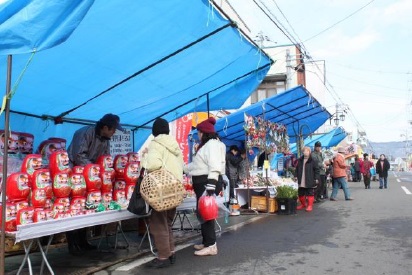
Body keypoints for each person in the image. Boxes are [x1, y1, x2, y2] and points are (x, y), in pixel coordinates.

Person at [66, 113, 123, 255]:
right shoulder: (84, 133)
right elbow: (79, 156)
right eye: (113, 130)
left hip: (92, 176)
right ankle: (72, 244)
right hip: (76, 174)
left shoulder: (106, 139)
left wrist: (106, 171)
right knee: (76, 208)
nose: (114, 133)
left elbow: (105, 158)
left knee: (88, 207)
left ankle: (83, 241)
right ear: (105, 127)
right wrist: (95, 170)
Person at [141, 118, 184, 268]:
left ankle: (163, 256)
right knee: (167, 222)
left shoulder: (156, 144)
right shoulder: (175, 145)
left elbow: (153, 164)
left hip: (162, 189)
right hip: (176, 188)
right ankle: (171, 251)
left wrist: (144, 156)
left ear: (154, 132)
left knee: (158, 223)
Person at [184, 117, 226, 256]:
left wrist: (210, 186)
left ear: (204, 132)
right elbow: (197, 165)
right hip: (204, 182)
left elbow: (214, 166)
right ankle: (207, 241)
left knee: (207, 214)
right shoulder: (208, 145)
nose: (198, 135)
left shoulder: (212, 145)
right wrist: (183, 168)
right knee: (203, 213)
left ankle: (211, 245)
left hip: (207, 182)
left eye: (199, 133)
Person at [295, 146, 320, 212]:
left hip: (310, 179)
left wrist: (316, 178)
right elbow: (297, 169)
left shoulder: (313, 160)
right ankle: (303, 204)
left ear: (309, 152)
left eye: (306, 151)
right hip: (301, 179)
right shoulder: (300, 160)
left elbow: (317, 170)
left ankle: (310, 205)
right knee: (300, 193)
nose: (305, 152)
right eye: (304, 151)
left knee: (310, 192)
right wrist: (295, 176)